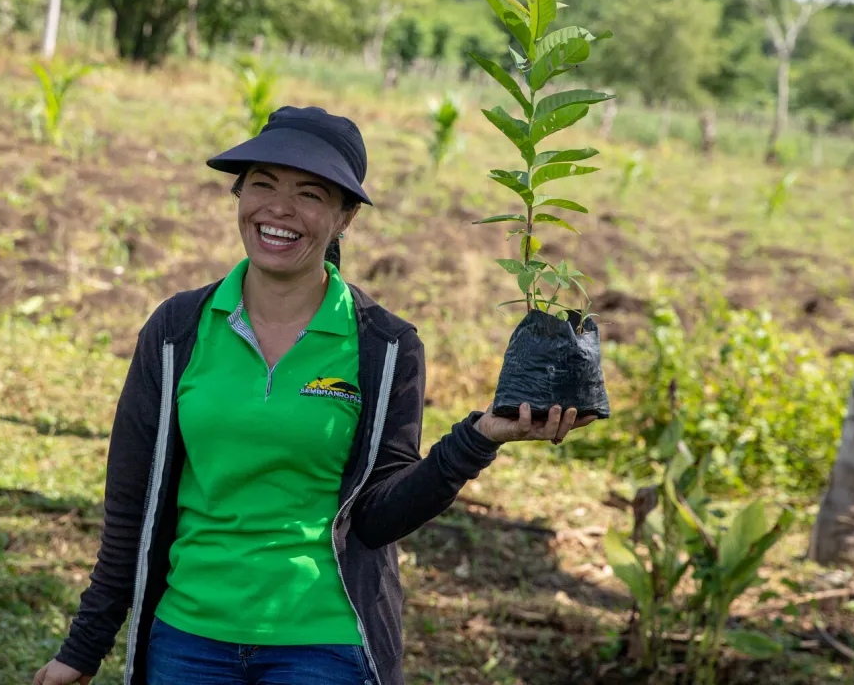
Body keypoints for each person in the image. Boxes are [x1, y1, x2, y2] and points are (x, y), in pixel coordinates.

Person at [33, 106, 595, 685]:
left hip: (323, 644)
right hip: (188, 638)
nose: (279, 209)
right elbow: (131, 505)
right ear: (239, 196)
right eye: (262, 184)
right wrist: (83, 647)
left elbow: (377, 518)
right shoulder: (178, 330)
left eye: (310, 193)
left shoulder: (384, 345)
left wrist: (477, 441)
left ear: (345, 217)